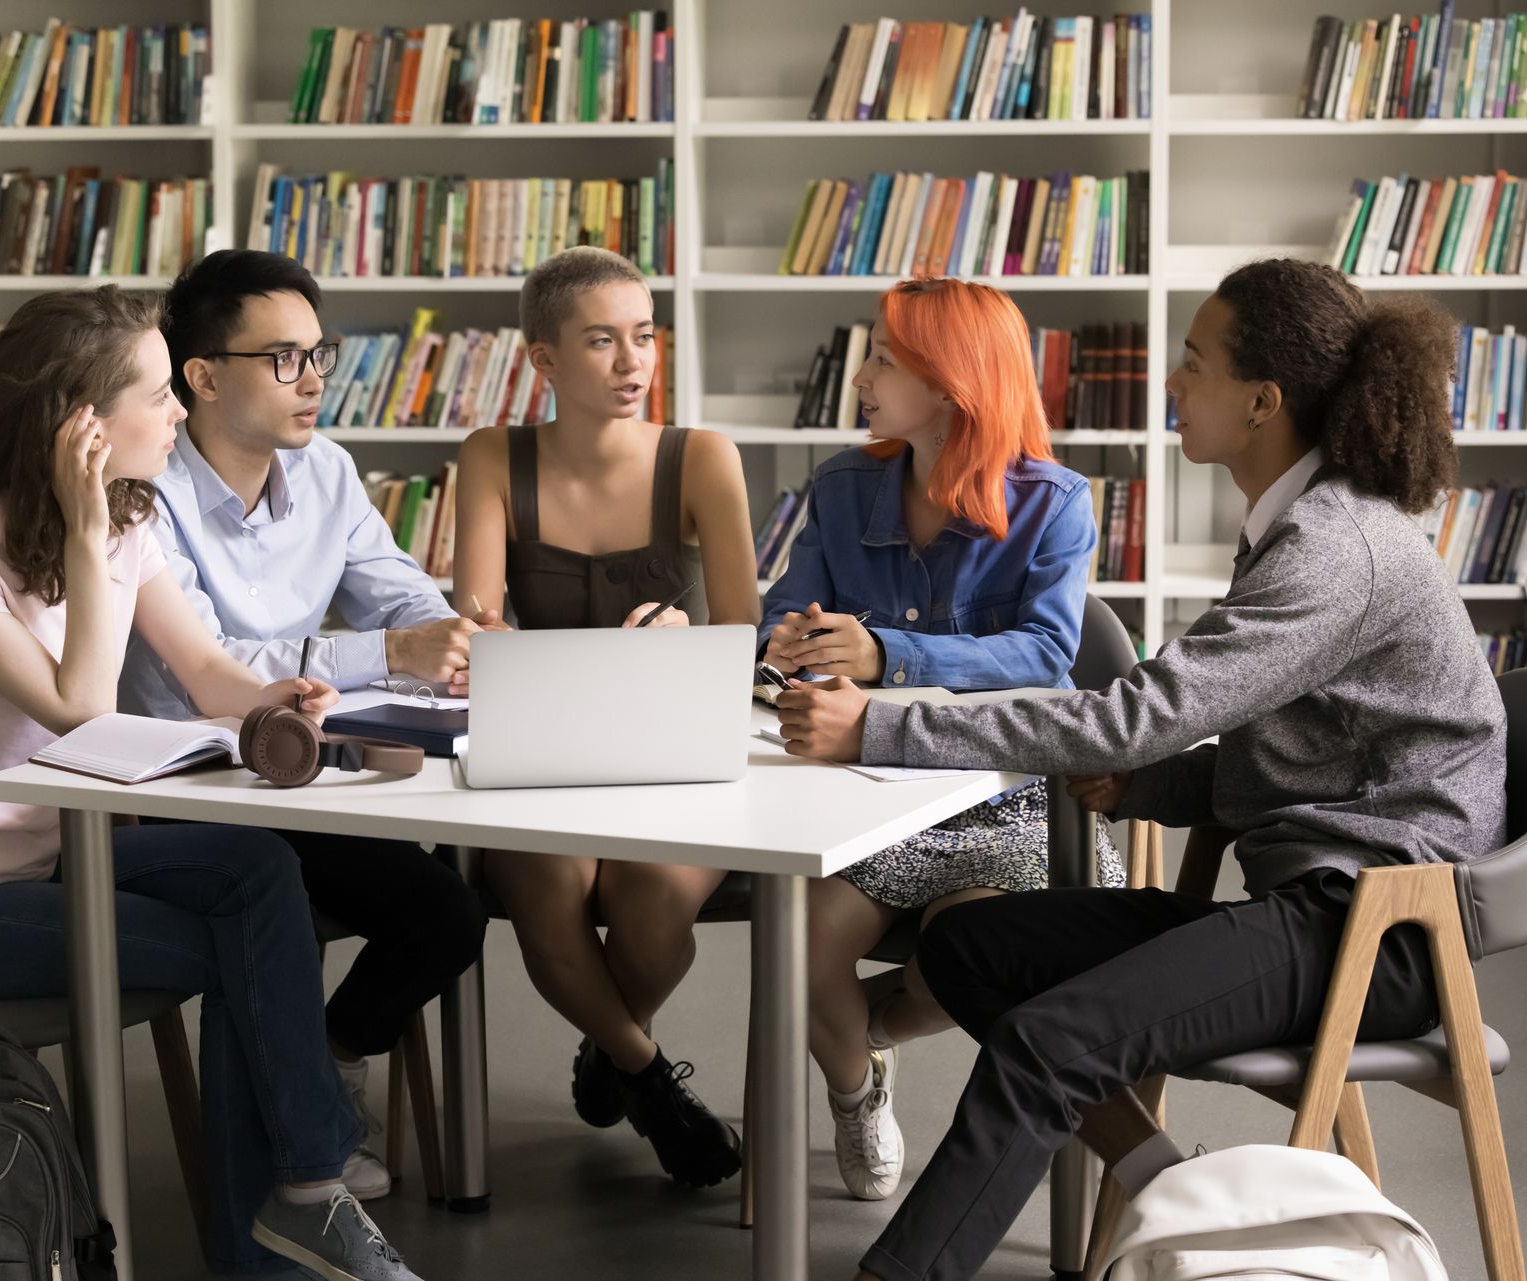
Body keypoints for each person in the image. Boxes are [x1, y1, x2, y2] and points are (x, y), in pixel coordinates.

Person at [776, 258, 1503, 1281]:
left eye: (1194, 364)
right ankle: (1183, 1190)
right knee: (972, 951)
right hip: (1320, 898)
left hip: (1377, 928)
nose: (1171, 383)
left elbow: (1138, 714)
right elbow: (1318, 758)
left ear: (1262, 401)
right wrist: (1148, 791)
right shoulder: (1299, 526)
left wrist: (879, 730)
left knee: (1049, 1042)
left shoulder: (1333, 549)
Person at [0, 286, 426, 1281]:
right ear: (80, 423)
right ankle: (292, 1218)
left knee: (253, 870)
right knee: (241, 947)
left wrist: (274, 699)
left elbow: (205, 672)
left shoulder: (131, 522)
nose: (178, 415)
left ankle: (305, 1194)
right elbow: (75, 707)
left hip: (60, 854)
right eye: (160, 394)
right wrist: (83, 537)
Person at [120, 250, 489, 1197]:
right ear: (201, 376)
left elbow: (396, 593)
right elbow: (211, 671)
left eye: (318, 353)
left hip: (300, 772)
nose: (315, 378)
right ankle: (293, 1137)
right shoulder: (143, 493)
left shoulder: (324, 469)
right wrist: (395, 656)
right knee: (275, 881)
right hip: (184, 788)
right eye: (282, 358)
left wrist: (458, 631)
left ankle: (329, 1054)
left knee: (447, 911)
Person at [758, 276, 1119, 1203]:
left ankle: (873, 1030)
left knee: (966, 956)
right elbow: (777, 623)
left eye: (884, 355)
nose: (863, 373)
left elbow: (1045, 651)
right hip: (868, 799)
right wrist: (789, 643)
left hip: (1006, 797)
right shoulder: (842, 486)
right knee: (795, 940)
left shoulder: (1055, 501)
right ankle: (855, 1089)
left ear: (954, 382)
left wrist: (888, 651)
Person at [449, 245, 761, 1189]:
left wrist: (678, 624)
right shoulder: (492, 456)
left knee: (654, 897)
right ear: (542, 360)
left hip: (674, 743)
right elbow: (476, 621)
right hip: (543, 749)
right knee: (548, 885)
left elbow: (745, 626)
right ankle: (646, 1069)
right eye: (601, 342)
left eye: (644, 337)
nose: (633, 364)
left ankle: (607, 1044)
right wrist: (490, 631)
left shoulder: (702, 456)